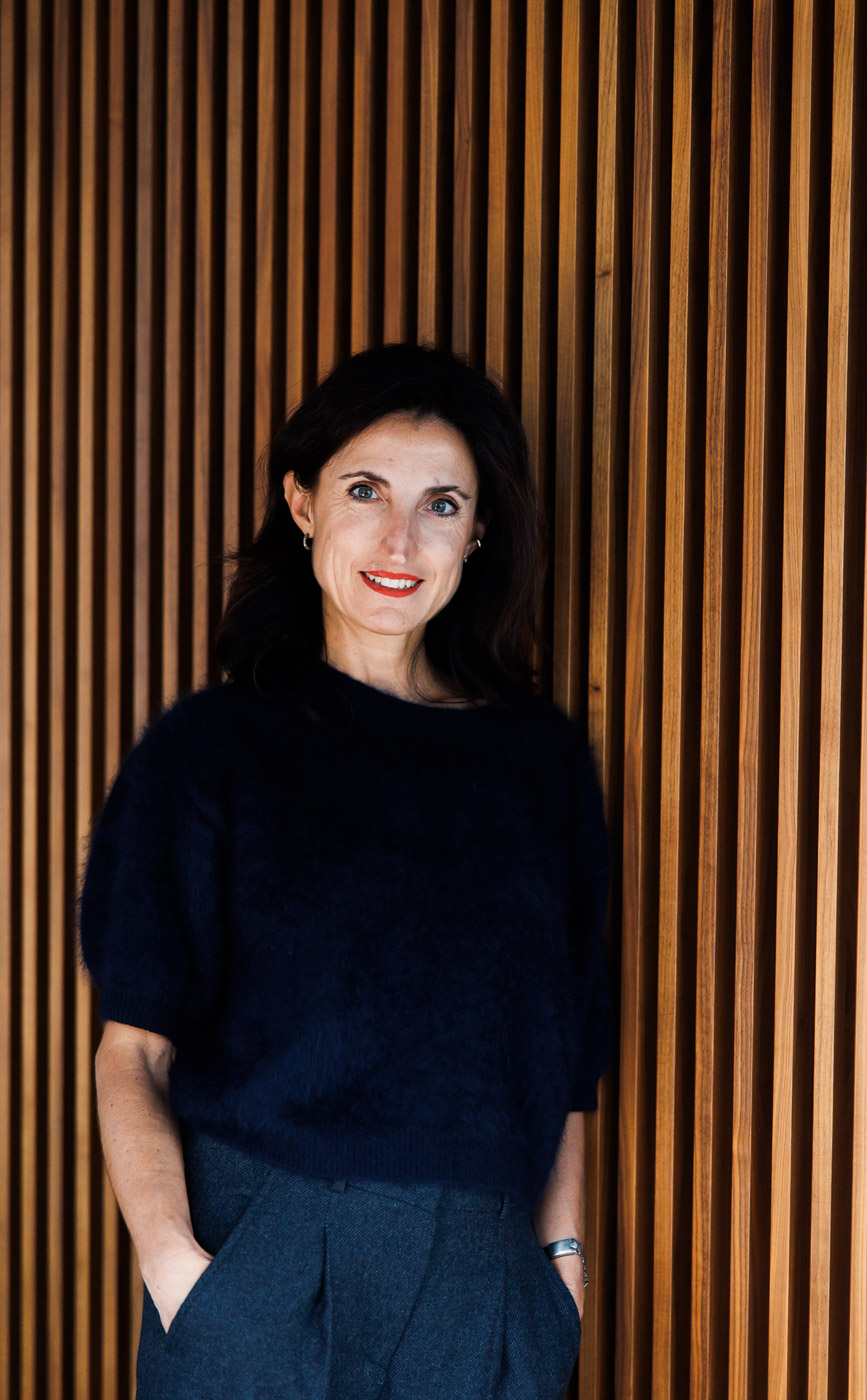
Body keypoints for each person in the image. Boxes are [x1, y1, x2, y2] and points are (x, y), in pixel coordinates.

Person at [73, 342, 617, 1400]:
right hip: (260, 1266)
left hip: (486, 1283)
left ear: (478, 532)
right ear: (302, 502)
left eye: (441, 504)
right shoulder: (209, 754)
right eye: (365, 490)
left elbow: (566, 1073)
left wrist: (562, 1274)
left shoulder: (538, 767)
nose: (399, 539)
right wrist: (181, 1275)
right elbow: (132, 1051)